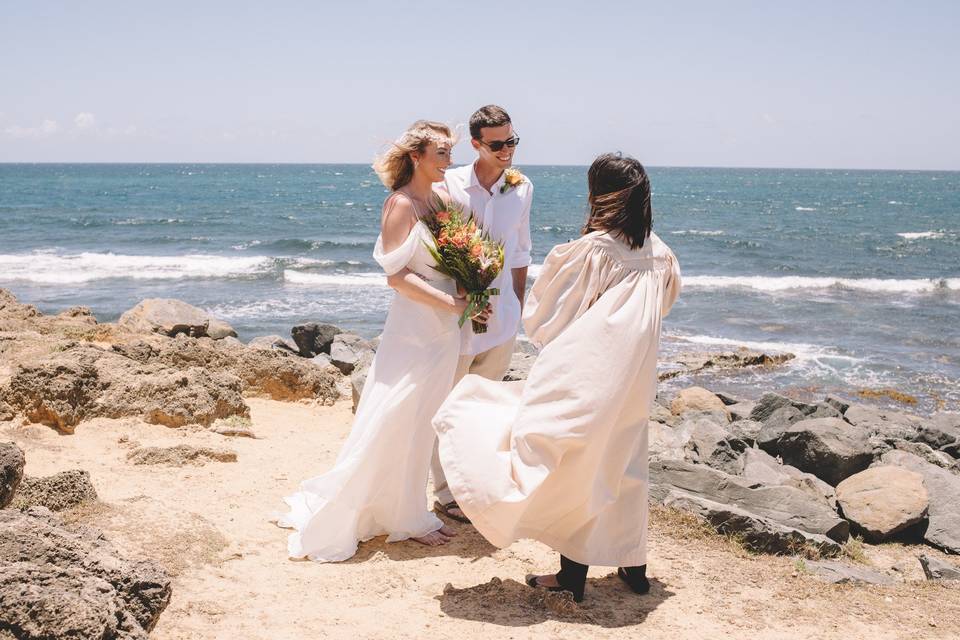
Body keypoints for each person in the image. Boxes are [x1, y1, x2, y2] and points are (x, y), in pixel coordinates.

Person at [432, 152, 682, 601]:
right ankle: (634, 565)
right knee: (625, 463)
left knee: (571, 463)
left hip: (590, 369)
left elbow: (548, 313)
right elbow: (663, 305)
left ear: (600, 195)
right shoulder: (659, 252)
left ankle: (572, 577)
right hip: (636, 373)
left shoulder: (595, 248)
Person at [275, 121, 488, 562]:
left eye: (450, 151)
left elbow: (462, 256)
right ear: (417, 157)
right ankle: (404, 516)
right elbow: (397, 277)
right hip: (416, 326)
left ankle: (405, 508)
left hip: (446, 327)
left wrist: (474, 287)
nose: (449, 159)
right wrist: (450, 302)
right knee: (400, 411)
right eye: (441, 152)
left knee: (425, 417)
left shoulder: (444, 199)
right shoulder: (400, 204)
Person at [431, 105, 533, 523]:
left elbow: (521, 249)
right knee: (448, 404)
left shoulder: (523, 187)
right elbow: (436, 248)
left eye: (512, 140)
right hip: (456, 317)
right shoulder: (450, 183)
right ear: (475, 144)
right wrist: (461, 293)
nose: (507, 149)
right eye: (497, 144)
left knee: (484, 406)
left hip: (502, 317)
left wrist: (518, 304)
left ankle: (474, 487)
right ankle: (443, 491)